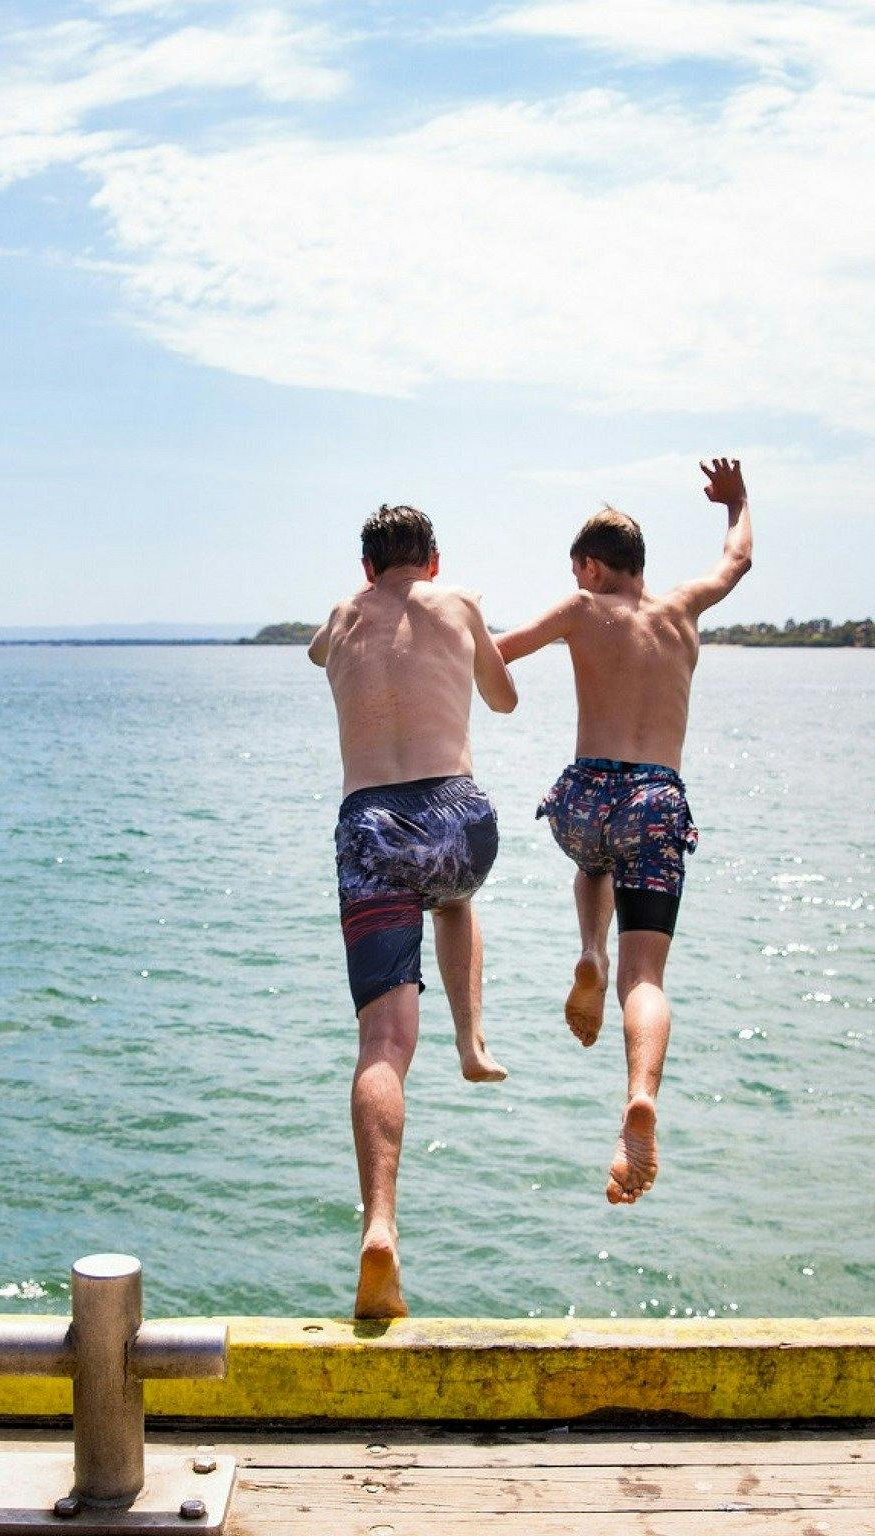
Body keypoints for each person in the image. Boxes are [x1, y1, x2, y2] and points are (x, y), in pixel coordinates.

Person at [497, 459, 752, 1204]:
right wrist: (736, 501)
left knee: (592, 860)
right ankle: (640, 1097)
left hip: (583, 799)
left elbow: (495, 650)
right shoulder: (682, 611)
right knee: (650, 979)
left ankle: (587, 952)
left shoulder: (580, 608)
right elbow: (738, 558)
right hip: (655, 798)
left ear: (590, 566)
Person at [309, 504, 517, 1318]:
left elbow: (319, 651)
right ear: (433, 560)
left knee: (383, 1045)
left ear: (367, 569)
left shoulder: (341, 615)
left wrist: (347, 624)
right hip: (457, 816)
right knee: (455, 897)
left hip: (370, 827)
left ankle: (380, 1227)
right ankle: (472, 1040)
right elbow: (502, 698)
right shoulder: (459, 602)